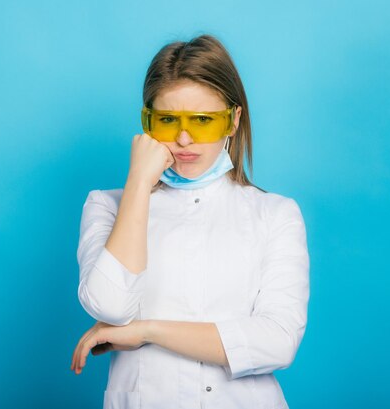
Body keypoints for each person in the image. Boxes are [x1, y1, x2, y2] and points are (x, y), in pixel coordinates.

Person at [70, 34, 310, 409]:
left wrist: (147, 331)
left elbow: (277, 341)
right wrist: (137, 183)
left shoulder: (275, 214)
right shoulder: (107, 205)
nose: (184, 138)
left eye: (202, 120)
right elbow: (110, 306)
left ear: (233, 121)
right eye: (167, 120)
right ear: (147, 122)